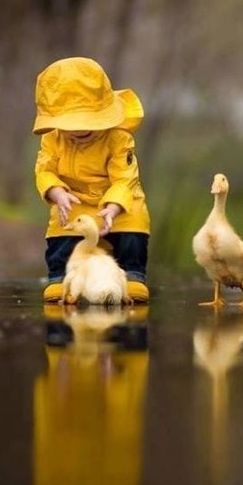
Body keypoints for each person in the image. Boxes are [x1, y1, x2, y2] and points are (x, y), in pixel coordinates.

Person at [33, 56, 150, 303]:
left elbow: (124, 178)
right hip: (73, 200)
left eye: (87, 120)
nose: (78, 129)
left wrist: (113, 207)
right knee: (61, 230)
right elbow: (44, 170)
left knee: (133, 226)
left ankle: (132, 274)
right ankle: (61, 276)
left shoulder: (118, 137)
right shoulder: (53, 138)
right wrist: (57, 192)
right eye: (69, 122)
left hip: (117, 202)